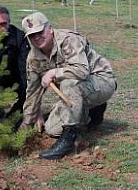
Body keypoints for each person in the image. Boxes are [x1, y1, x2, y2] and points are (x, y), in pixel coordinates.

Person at [20, 12, 116, 160]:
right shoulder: (33, 58)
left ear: (49, 29)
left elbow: (82, 71)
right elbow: (32, 93)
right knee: (52, 129)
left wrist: (53, 72)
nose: (37, 37)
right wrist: (25, 127)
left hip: (101, 81)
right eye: (32, 35)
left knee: (69, 81)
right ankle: (89, 113)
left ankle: (68, 141)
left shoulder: (68, 40)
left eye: (40, 32)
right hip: (78, 90)